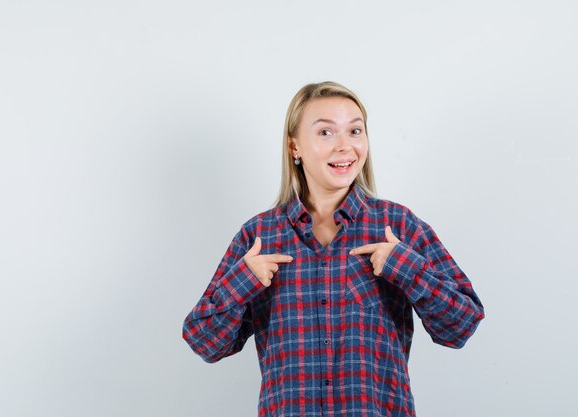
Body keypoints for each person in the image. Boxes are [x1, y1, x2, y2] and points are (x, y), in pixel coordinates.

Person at [182, 81, 485, 417]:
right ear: (294, 146)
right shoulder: (259, 236)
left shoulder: (398, 226)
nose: (345, 146)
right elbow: (204, 342)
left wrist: (405, 266)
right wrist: (243, 281)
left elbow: (461, 326)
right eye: (326, 133)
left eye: (355, 131)